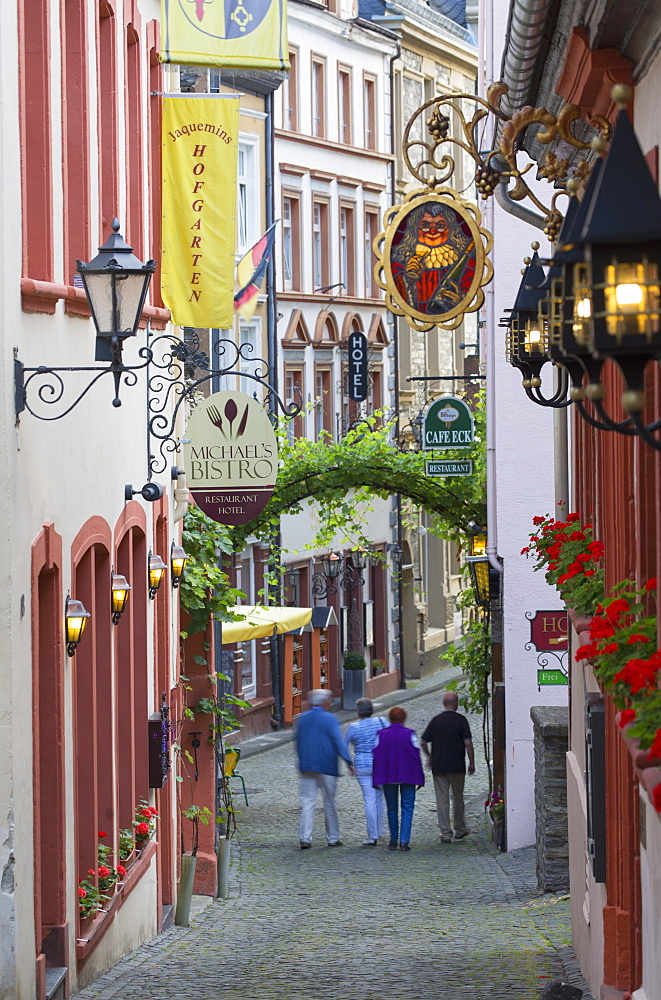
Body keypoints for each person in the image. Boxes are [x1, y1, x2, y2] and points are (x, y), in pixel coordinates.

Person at [294, 689, 355, 849]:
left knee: (307, 802)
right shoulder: (330, 719)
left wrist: (301, 761)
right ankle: (333, 837)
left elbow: (298, 742)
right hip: (327, 765)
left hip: (307, 765)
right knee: (329, 802)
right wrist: (348, 761)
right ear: (324, 702)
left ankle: (305, 837)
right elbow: (337, 741)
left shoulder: (302, 719)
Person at [421, 690, 475, 843]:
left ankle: (445, 833)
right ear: (456, 704)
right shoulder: (461, 720)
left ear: (444, 704)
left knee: (442, 800)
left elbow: (423, 742)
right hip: (457, 765)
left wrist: (429, 757)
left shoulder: (435, 720)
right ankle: (459, 829)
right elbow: (468, 743)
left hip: (439, 766)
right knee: (458, 799)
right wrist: (471, 762)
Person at [372, 706, 425, 852]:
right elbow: (416, 756)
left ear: (390, 718)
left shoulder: (381, 734)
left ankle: (393, 839)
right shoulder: (410, 734)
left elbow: (377, 757)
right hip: (407, 775)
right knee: (407, 807)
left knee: (392, 808)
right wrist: (419, 778)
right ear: (403, 719)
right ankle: (404, 841)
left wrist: (376, 778)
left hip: (388, 775)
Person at [344, 698, 388, 845]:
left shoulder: (353, 727)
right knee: (379, 797)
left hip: (362, 764)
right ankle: (380, 830)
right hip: (380, 763)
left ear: (358, 711)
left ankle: (372, 835)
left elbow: (343, 747)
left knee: (369, 799)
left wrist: (349, 764)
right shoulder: (381, 722)